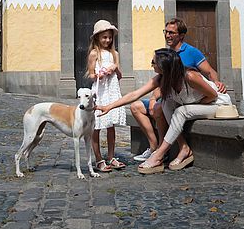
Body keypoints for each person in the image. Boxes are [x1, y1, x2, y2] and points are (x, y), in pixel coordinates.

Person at [97, 48, 231, 174]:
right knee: (165, 103)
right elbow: (135, 95)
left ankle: (159, 154)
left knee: (181, 111)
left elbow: (213, 95)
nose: (151, 65)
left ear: (164, 66)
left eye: (153, 62)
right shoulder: (162, 79)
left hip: (217, 105)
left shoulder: (189, 76)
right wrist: (109, 106)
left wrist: (193, 105)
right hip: (198, 105)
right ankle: (183, 147)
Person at [132, 18, 227, 166]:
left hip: (195, 98)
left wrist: (216, 83)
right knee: (141, 106)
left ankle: (162, 153)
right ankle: (157, 148)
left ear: (181, 35)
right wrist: (152, 98)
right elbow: (161, 82)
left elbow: (210, 72)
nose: (167, 36)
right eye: (166, 32)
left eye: (171, 33)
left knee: (165, 108)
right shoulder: (166, 55)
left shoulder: (191, 53)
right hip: (177, 97)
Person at [87, 19, 126, 172]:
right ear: (97, 37)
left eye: (109, 37)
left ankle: (111, 156)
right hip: (100, 90)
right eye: (104, 37)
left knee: (111, 125)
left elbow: (120, 75)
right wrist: (98, 74)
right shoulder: (94, 54)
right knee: (96, 126)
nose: (107, 40)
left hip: (112, 90)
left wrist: (114, 69)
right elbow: (90, 74)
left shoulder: (114, 53)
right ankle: (98, 158)